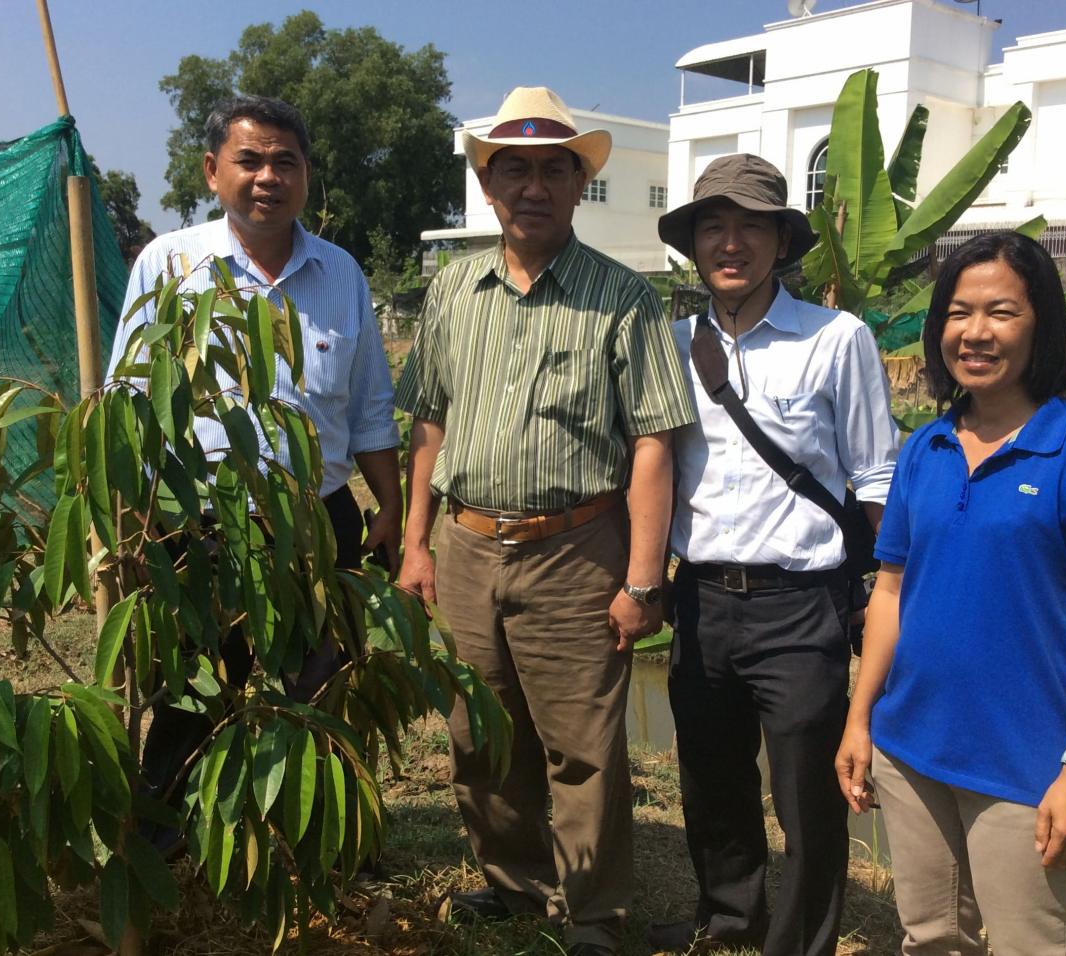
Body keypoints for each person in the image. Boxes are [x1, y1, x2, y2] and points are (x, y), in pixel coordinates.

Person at [394, 86, 694, 956]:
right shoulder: (453, 290)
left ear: (577, 185)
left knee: (582, 746)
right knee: (480, 730)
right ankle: (515, 881)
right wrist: (415, 544)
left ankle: (593, 913)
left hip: (575, 549)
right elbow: (429, 421)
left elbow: (652, 443)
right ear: (488, 185)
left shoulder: (624, 298)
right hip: (466, 544)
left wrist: (644, 580)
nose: (532, 187)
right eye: (513, 170)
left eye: (552, 171)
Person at [834, 231, 1066, 955]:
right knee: (929, 937)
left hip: (1023, 763)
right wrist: (860, 720)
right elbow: (891, 592)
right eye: (958, 312)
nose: (975, 332)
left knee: (1028, 944)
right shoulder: (925, 448)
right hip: (910, 747)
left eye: (1001, 312)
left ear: (1041, 325)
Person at [104, 94, 402, 817]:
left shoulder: (341, 274)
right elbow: (129, 400)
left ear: (306, 176)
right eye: (250, 160)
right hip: (196, 525)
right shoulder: (170, 264)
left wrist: (392, 509)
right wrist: (127, 524)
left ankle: (315, 842)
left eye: (285, 162)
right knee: (193, 690)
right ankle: (172, 840)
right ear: (212, 171)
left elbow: (369, 409)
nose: (269, 176)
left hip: (318, 522)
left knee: (318, 688)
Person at [651, 154, 900, 956]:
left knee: (806, 794)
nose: (731, 243)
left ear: (780, 242)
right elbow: (651, 470)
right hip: (701, 598)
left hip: (801, 604)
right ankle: (731, 918)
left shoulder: (836, 339)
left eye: (750, 227)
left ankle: (800, 941)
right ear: (693, 244)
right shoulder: (670, 345)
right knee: (711, 778)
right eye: (713, 227)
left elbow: (875, 474)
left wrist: (887, 586)